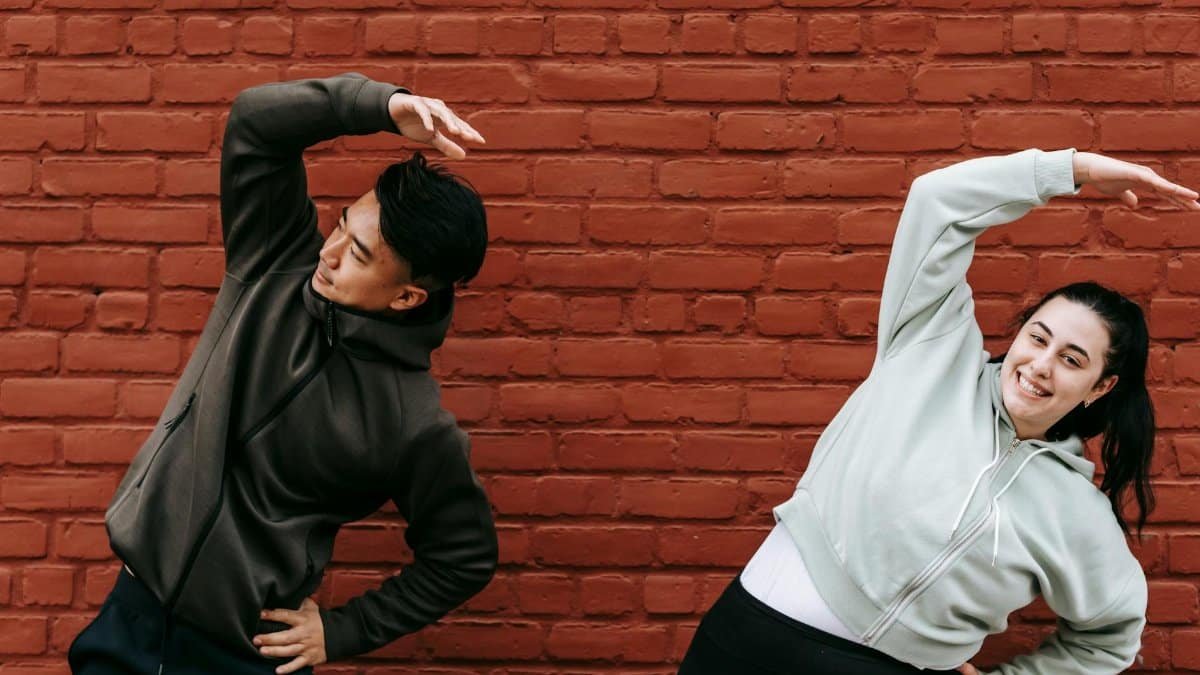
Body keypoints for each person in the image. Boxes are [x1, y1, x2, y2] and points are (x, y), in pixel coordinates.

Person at [678, 149, 1200, 674]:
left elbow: (1108, 641)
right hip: (744, 644)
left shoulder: (1076, 511)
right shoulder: (930, 351)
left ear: (1100, 386)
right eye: (1038, 338)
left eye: (1071, 359)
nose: (1040, 366)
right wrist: (1074, 171)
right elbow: (937, 201)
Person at [68, 74, 498, 674]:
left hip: (239, 656)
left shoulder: (413, 423)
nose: (329, 251)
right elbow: (254, 124)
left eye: (358, 254)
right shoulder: (272, 265)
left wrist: (344, 631)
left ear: (405, 298)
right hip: (132, 621)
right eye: (342, 225)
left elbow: (463, 556)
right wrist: (381, 106)